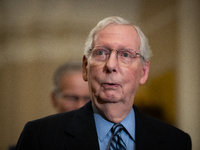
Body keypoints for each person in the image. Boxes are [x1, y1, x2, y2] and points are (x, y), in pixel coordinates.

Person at [16, 16, 191, 150]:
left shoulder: (175, 142)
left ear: (143, 72)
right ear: (85, 67)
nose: (111, 65)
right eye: (101, 53)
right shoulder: (40, 137)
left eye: (126, 55)